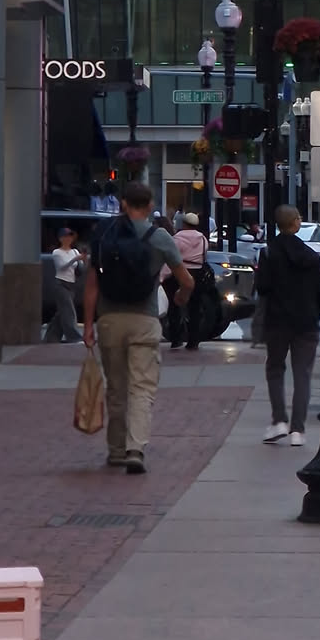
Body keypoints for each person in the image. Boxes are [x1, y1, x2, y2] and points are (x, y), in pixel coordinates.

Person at [82, 183, 192, 474]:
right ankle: (135, 449)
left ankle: (116, 450)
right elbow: (186, 280)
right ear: (150, 204)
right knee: (142, 388)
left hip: (109, 320)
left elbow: (91, 285)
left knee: (116, 387)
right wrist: (181, 297)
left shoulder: (105, 235)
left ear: (123, 204)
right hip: (144, 320)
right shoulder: (160, 237)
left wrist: (88, 324)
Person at [256, 204, 320, 447]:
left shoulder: (268, 253)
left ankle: (279, 420)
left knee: (275, 368)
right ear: (295, 223)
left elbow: (262, 287)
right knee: (302, 374)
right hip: (306, 322)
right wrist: (314, 311)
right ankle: (298, 430)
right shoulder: (311, 257)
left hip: (277, 321)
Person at [171, 212, 209, 351]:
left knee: (175, 304)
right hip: (198, 272)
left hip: (180, 271)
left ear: (184, 223)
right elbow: (205, 255)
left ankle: (176, 338)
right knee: (195, 307)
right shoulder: (203, 239)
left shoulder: (177, 238)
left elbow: (173, 256)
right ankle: (193, 341)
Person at [48, 227, 83, 344]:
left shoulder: (75, 251)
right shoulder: (57, 252)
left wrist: (82, 260)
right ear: (60, 239)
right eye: (65, 236)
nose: (68, 239)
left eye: (70, 236)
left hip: (71, 284)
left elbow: (80, 268)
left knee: (62, 312)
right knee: (69, 311)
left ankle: (51, 337)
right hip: (61, 283)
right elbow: (61, 267)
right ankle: (74, 337)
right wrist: (74, 260)